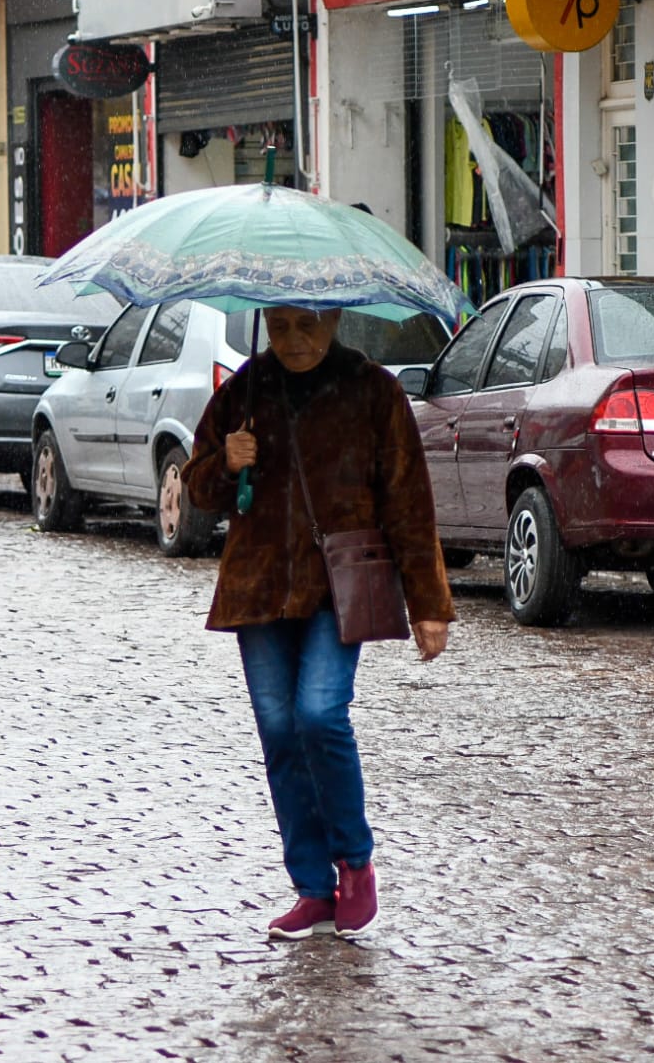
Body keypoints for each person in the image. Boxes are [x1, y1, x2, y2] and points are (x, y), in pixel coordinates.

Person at [181, 305, 455, 941]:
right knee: (279, 731)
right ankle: (312, 888)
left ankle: (355, 864)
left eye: (306, 326)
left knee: (319, 714)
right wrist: (227, 460)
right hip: (260, 587)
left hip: (340, 582)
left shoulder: (372, 390)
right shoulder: (246, 388)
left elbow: (409, 500)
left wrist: (429, 603)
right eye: (279, 328)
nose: (293, 341)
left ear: (333, 319)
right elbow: (197, 488)